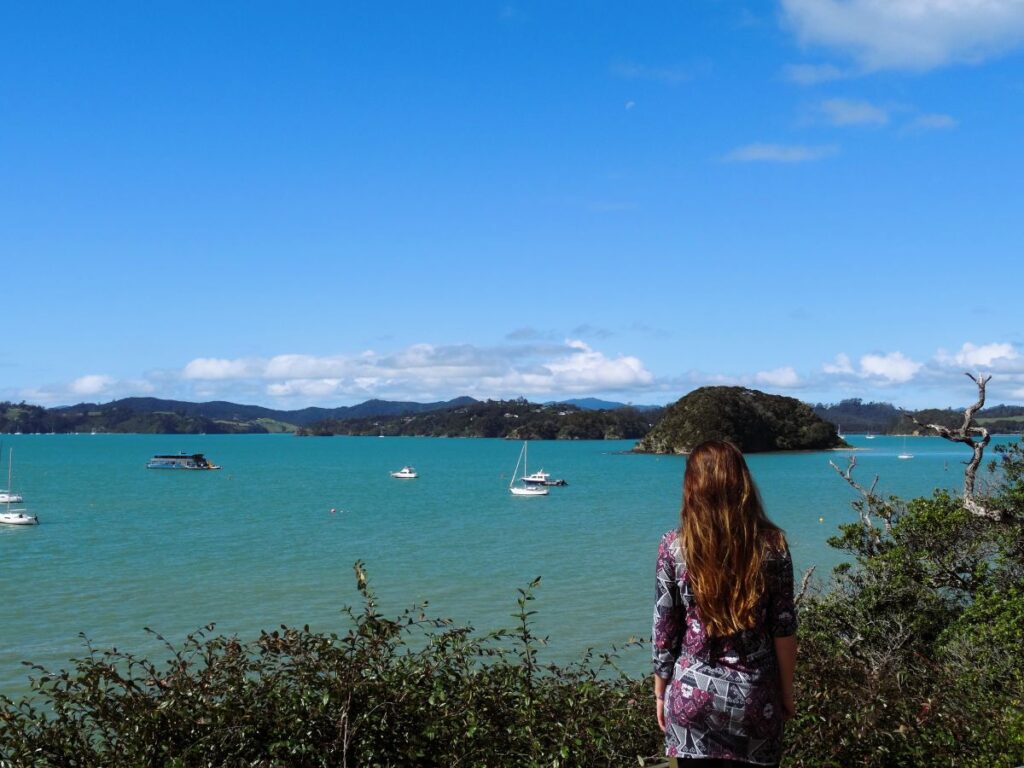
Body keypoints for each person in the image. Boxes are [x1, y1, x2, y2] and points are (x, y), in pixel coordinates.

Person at [652, 440, 797, 767]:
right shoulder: (773, 546)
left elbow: (664, 629)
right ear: (743, 484)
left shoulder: (674, 547)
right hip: (755, 699)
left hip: (691, 701)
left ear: (692, 486)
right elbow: (783, 628)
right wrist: (786, 691)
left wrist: (661, 691)